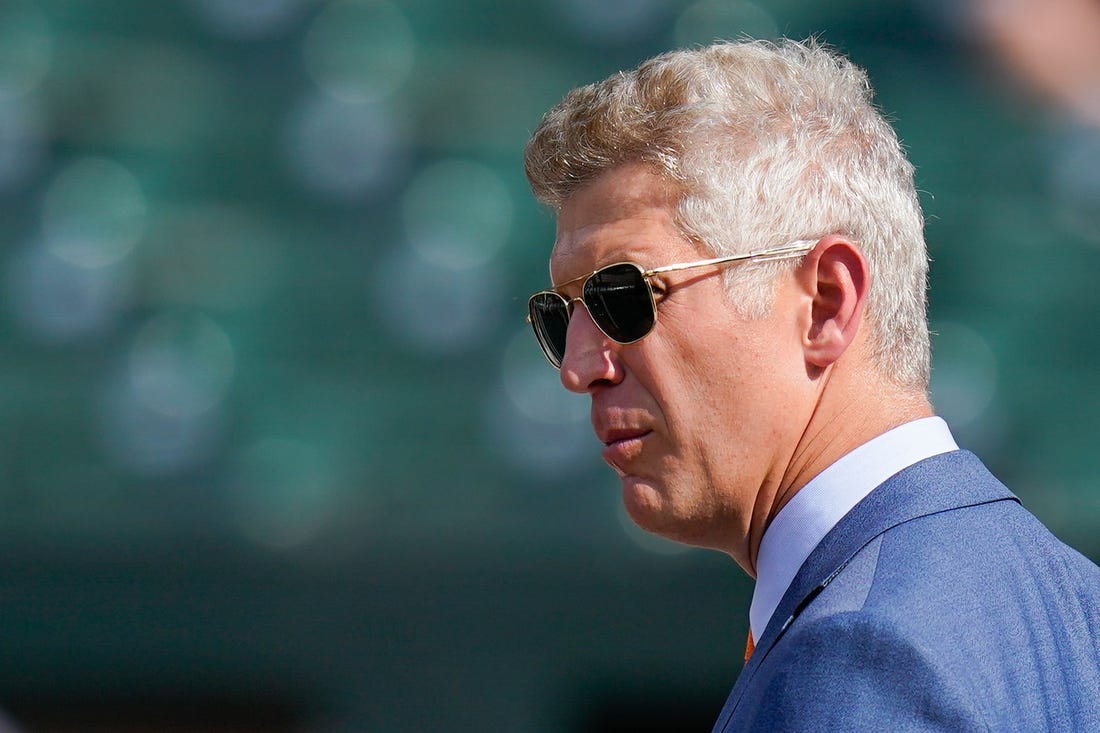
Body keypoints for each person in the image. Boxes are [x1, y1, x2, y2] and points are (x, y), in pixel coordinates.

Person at [522, 39, 1100, 731]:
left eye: (624, 296)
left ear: (826, 301)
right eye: (560, 316)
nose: (578, 366)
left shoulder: (859, 655)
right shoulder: (1071, 598)